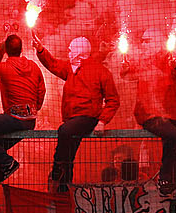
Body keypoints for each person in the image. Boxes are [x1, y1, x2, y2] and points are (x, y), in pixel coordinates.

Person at [33, 35, 119, 190]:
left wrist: (102, 121)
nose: (68, 52)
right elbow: (52, 64)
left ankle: (57, 173)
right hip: (74, 120)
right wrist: (40, 50)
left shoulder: (99, 71)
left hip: (86, 118)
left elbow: (113, 100)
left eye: (71, 50)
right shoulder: (73, 69)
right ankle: (64, 189)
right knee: (69, 154)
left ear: (79, 53)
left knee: (64, 133)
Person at [123, 30, 176, 192]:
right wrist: (125, 64)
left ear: (157, 42)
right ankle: (165, 179)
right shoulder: (141, 59)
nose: (143, 44)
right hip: (149, 113)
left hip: (170, 112)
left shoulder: (170, 58)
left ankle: (173, 182)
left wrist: (175, 63)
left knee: (175, 144)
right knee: (173, 136)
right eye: (142, 41)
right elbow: (126, 75)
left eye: (147, 40)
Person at [0, 34, 46, 184]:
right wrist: (33, 110)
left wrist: (0, 52)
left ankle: (8, 163)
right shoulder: (34, 67)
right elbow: (42, 91)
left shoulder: (3, 68)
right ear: (21, 49)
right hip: (30, 122)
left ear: (7, 50)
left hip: (14, 120)